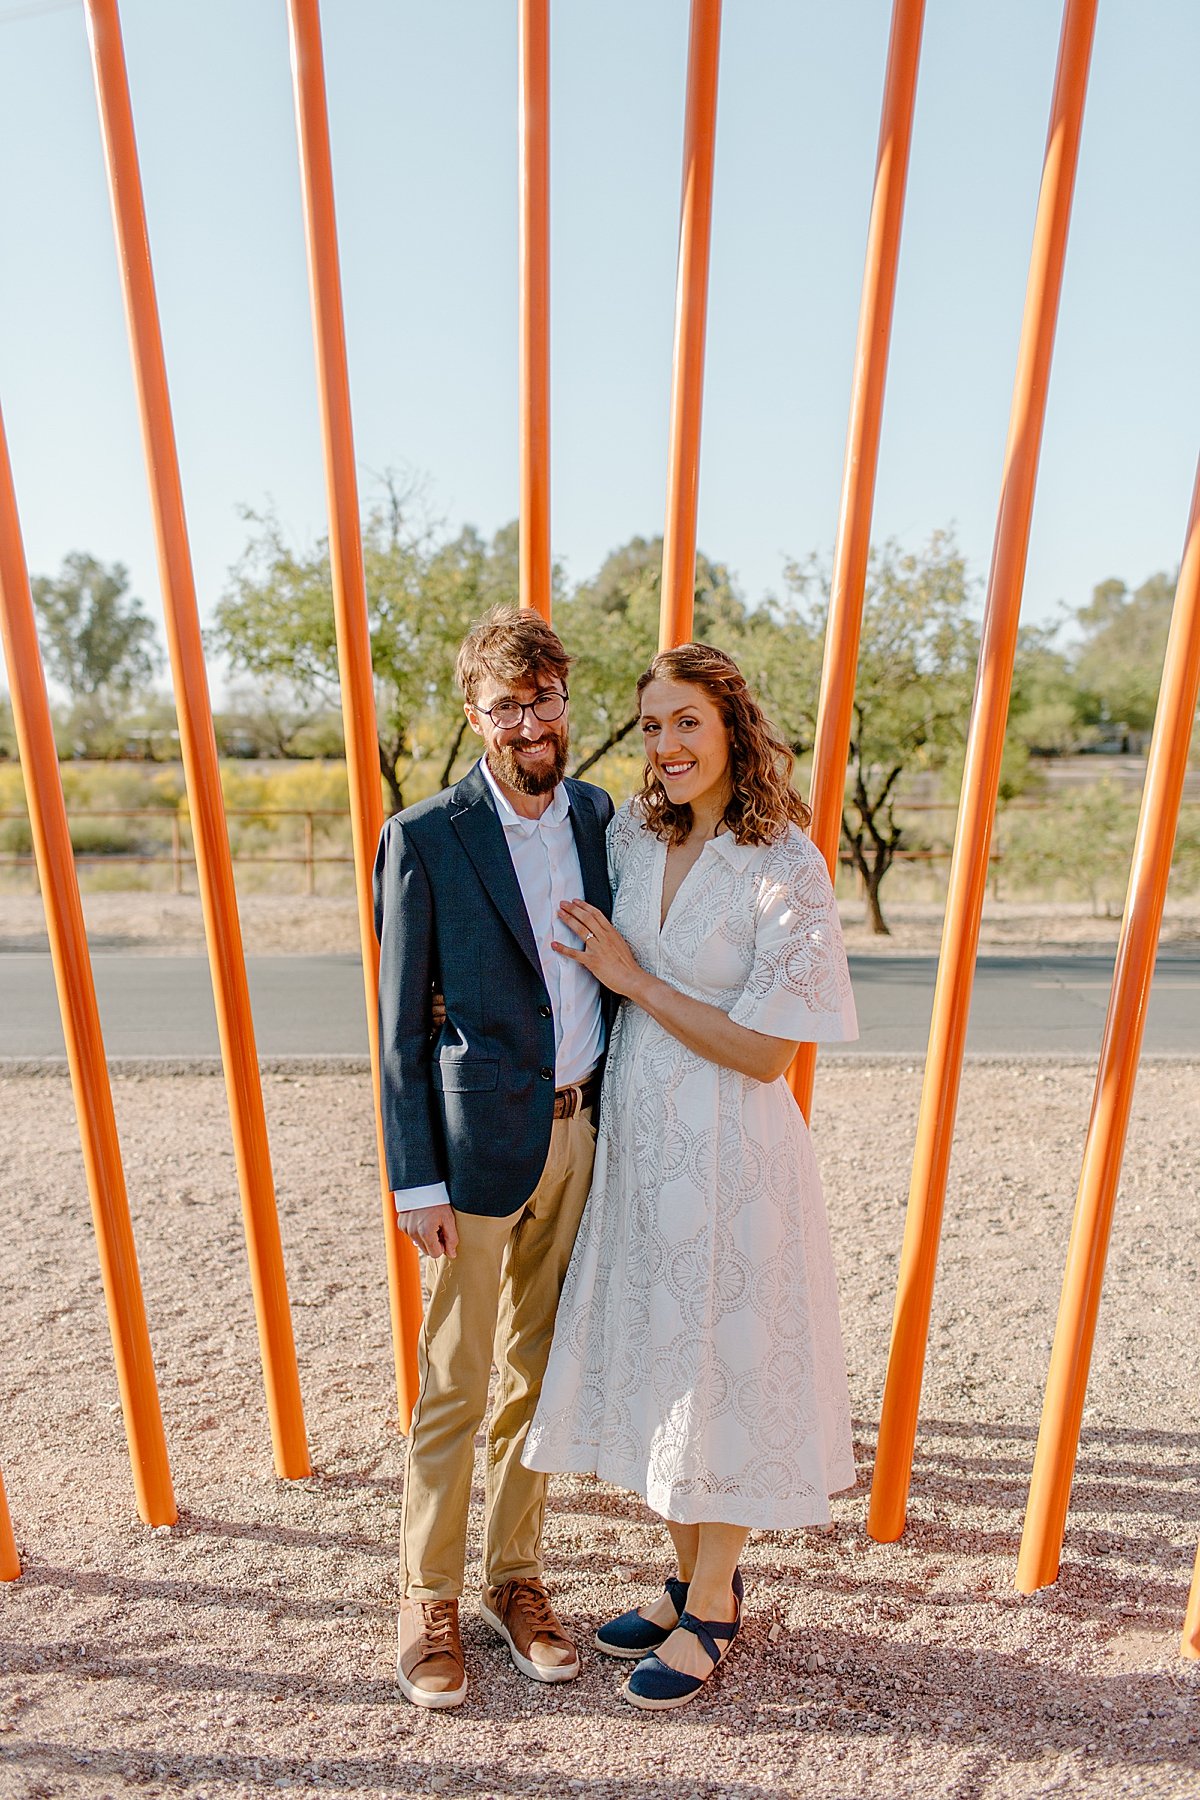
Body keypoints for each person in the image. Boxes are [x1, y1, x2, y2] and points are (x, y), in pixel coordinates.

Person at [523, 642, 858, 1711]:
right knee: (663, 1364)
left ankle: (714, 1599)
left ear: (733, 731)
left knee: (726, 1369)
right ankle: (679, 1579)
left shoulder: (784, 863)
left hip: (735, 1156)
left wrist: (631, 977)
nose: (666, 746)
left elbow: (768, 1051)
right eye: (653, 725)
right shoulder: (630, 832)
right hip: (640, 1146)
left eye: (688, 724)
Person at [373, 605, 613, 1710]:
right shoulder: (424, 837)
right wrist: (414, 1178)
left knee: (541, 1375)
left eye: (547, 700)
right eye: (510, 706)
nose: (532, 724)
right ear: (476, 715)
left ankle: (515, 1579)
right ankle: (427, 1596)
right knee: (455, 1384)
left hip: (580, 1135)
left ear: (567, 703)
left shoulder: (606, 817)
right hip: (473, 1158)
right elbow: (399, 1031)